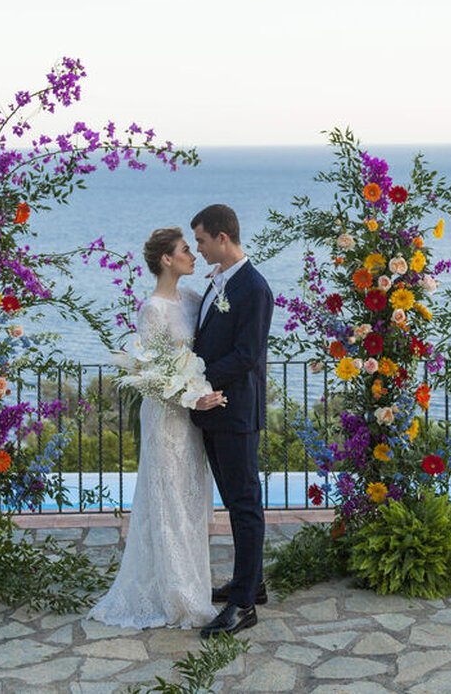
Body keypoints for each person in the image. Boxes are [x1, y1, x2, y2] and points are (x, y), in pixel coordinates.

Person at [87, 226, 223, 629]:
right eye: (186, 250)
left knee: (191, 501)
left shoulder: (195, 299)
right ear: (167, 259)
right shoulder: (152, 310)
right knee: (168, 501)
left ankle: (193, 585)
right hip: (166, 417)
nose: (193, 255)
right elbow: (155, 373)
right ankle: (175, 593)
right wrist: (189, 395)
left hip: (192, 418)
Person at [190, 204, 274, 638]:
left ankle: (244, 606)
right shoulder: (220, 282)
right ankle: (251, 583)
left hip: (235, 411)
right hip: (213, 411)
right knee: (235, 502)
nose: (199, 249)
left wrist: (196, 379)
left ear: (223, 238)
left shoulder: (254, 288)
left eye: (202, 240)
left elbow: (247, 355)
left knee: (245, 506)